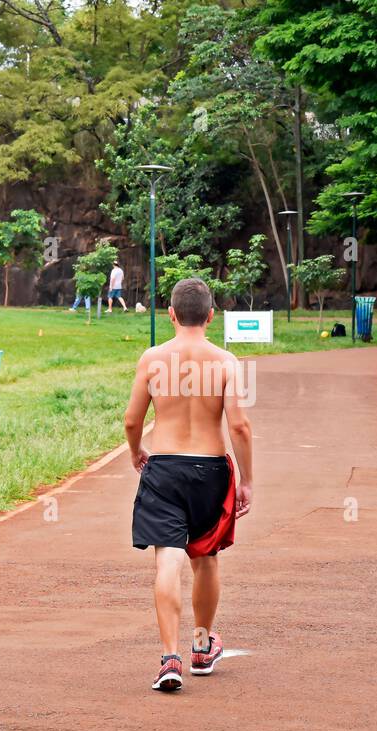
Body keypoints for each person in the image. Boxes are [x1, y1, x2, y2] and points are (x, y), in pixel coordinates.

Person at [124, 278, 254, 692]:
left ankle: (169, 659)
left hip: (163, 466)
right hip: (211, 469)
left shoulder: (153, 358)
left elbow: (131, 420)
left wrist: (135, 451)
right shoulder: (226, 361)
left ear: (172, 314)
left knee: (168, 560)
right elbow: (239, 425)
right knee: (207, 557)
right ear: (212, 315)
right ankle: (201, 645)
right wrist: (247, 480)